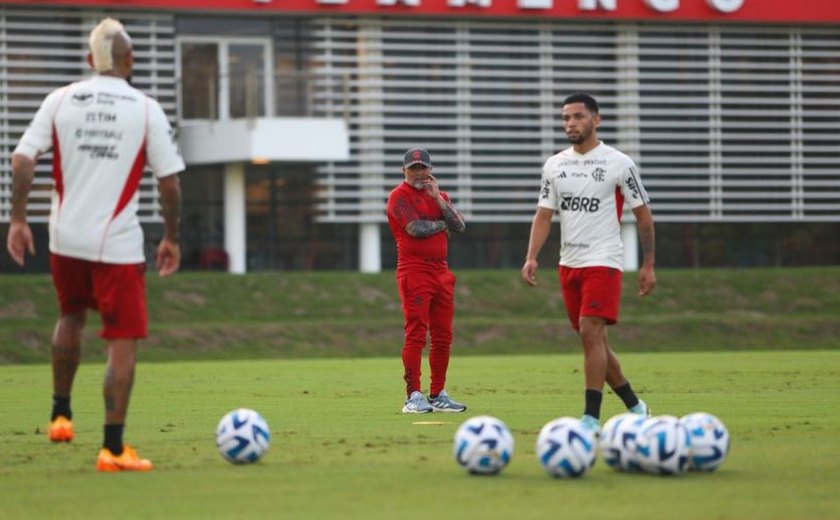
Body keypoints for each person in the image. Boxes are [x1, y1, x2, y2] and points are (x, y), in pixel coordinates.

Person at [5, 18, 184, 471]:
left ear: (90, 61)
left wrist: (19, 219)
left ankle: (60, 416)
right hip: (117, 243)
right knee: (121, 341)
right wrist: (171, 237)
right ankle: (113, 447)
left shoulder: (60, 100)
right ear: (131, 61)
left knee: (69, 316)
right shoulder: (144, 109)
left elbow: (23, 160)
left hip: (65, 236)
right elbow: (170, 184)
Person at [521, 93, 656, 431]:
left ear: (596, 120)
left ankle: (590, 419)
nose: (571, 123)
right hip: (569, 263)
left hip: (604, 261)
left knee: (589, 332)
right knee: (594, 341)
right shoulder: (555, 165)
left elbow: (643, 216)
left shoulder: (619, 163)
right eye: (566, 118)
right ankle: (636, 406)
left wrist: (648, 264)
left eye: (578, 117)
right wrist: (532, 257)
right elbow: (543, 215)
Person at [386, 148, 468, 414]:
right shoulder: (398, 197)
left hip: (441, 272)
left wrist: (440, 202)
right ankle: (413, 396)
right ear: (404, 171)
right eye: (414, 168)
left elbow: (460, 226)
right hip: (414, 271)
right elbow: (415, 229)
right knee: (417, 333)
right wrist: (441, 224)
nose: (419, 173)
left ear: (431, 170)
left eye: (423, 168)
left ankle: (438, 393)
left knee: (443, 335)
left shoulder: (440, 196)